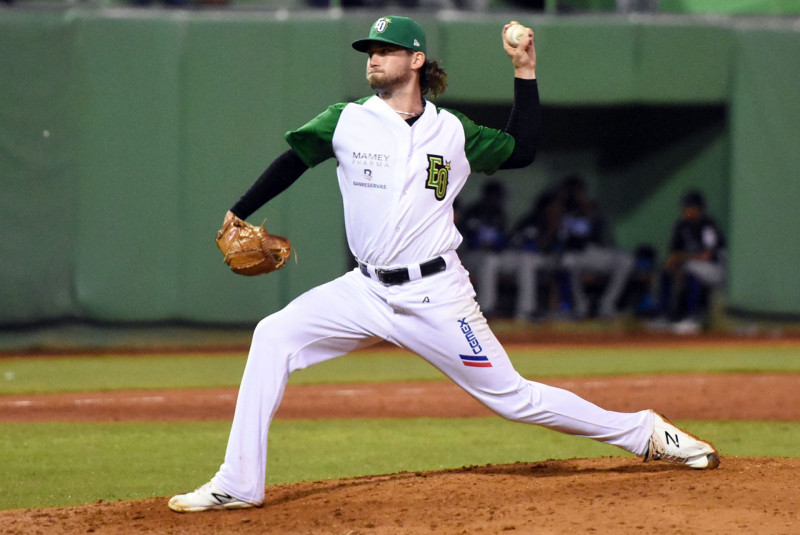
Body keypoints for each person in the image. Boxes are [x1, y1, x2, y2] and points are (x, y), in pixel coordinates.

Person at [168, 15, 719, 514]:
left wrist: (524, 69)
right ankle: (239, 482)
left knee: (514, 399)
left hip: (438, 296)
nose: (373, 58)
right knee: (273, 336)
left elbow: (520, 150)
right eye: (369, 51)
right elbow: (294, 160)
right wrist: (239, 210)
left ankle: (646, 433)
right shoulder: (346, 120)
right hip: (364, 291)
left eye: (385, 49)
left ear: (415, 62)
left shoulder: (453, 131)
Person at [556, 174, 635, 319]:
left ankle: (607, 305)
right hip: (568, 254)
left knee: (626, 259)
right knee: (568, 261)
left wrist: (583, 203)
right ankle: (580, 308)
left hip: (590, 252)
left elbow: (598, 229)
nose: (573, 194)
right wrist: (560, 204)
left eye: (577, 191)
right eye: (571, 191)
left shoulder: (589, 207)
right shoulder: (558, 208)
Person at [658, 189, 727, 333]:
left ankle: (692, 317)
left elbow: (706, 256)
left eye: (689, 207)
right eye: (685, 207)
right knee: (666, 270)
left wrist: (682, 260)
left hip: (714, 270)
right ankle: (665, 316)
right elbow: (672, 255)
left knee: (690, 269)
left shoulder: (708, 225)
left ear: (697, 208)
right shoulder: (681, 225)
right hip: (691, 267)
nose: (685, 210)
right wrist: (678, 266)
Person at [506, 188, 562, 319]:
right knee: (527, 261)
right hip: (518, 258)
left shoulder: (560, 222)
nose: (557, 209)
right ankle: (525, 311)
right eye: (554, 206)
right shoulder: (531, 220)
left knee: (567, 262)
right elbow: (523, 245)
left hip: (547, 260)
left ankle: (564, 310)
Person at [458, 180, 510, 317]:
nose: (497, 200)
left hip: (494, 255)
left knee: (520, 261)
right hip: (472, 256)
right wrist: (481, 243)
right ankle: (487, 309)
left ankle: (525, 312)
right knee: (488, 261)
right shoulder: (473, 212)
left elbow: (504, 241)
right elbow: (465, 241)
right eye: (495, 196)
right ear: (487, 196)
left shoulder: (500, 214)